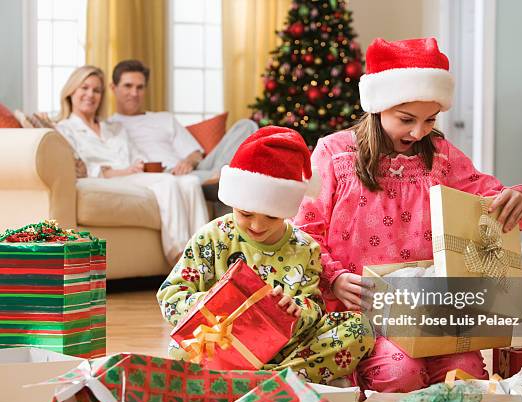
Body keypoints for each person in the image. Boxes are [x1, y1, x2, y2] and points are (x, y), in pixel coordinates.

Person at [293, 37, 522, 393]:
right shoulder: (334, 153)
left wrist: (516, 197)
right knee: (400, 372)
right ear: (379, 106)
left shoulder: (440, 155)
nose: (418, 131)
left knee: (467, 372)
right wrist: (332, 278)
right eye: (406, 119)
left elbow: (487, 195)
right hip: (362, 311)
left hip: (432, 310)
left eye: (430, 119)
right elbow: (304, 229)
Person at [157, 126, 374, 384]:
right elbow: (170, 296)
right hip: (224, 345)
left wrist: (297, 310)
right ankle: (277, 380)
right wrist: (216, 304)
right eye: (246, 214)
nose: (257, 226)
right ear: (232, 201)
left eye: (271, 216)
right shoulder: (211, 237)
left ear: (287, 210)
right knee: (181, 349)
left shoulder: (305, 249)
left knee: (358, 329)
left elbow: (314, 309)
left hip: (286, 351)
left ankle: (261, 379)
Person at [55, 66, 208, 264]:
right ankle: (180, 259)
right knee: (167, 183)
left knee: (190, 182)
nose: (90, 95)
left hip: (133, 176)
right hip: (110, 180)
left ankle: (206, 253)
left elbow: (137, 156)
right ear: (71, 92)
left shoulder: (114, 127)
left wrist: (139, 165)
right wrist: (124, 171)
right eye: (84, 88)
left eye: (96, 90)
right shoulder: (64, 129)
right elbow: (84, 168)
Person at [108, 59, 258, 186]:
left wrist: (188, 163)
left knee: (246, 125)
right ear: (113, 88)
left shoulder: (164, 118)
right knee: (232, 180)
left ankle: (221, 175)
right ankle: (224, 178)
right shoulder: (109, 128)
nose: (134, 93)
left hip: (194, 171)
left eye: (139, 87)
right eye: (128, 86)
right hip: (166, 177)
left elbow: (195, 154)